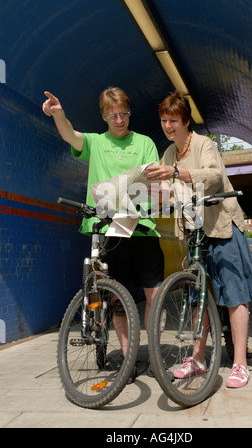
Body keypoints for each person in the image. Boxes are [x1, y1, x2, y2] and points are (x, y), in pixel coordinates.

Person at [42, 87, 164, 383]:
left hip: (142, 225)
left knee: (154, 293)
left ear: (128, 112)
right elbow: (70, 135)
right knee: (118, 297)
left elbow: (153, 176)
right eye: (113, 115)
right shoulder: (96, 142)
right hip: (111, 226)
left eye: (124, 113)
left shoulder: (145, 142)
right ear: (104, 116)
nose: (120, 120)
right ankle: (128, 356)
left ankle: (157, 355)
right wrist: (59, 113)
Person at [145, 91, 252, 389]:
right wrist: (147, 190)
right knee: (197, 295)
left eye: (173, 120)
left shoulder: (204, 144)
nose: (168, 126)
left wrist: (177, 173)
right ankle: (198, 358)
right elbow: (166, 190)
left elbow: (212, 176)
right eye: (163, 121)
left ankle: (239, 363)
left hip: (222, 225)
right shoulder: (169, 153)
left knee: (234, 293)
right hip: (194, 230)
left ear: (185, 121)